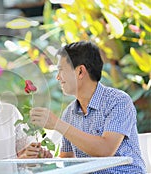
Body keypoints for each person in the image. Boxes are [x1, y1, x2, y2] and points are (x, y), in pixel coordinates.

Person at [29, 41, 146, 173]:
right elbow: (67, 161)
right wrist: (47, 159)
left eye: (61, 70)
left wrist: (58, 124)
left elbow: (106, 149)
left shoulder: (118, 101)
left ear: (80, 71)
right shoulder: (69, 113)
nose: (57, 77)